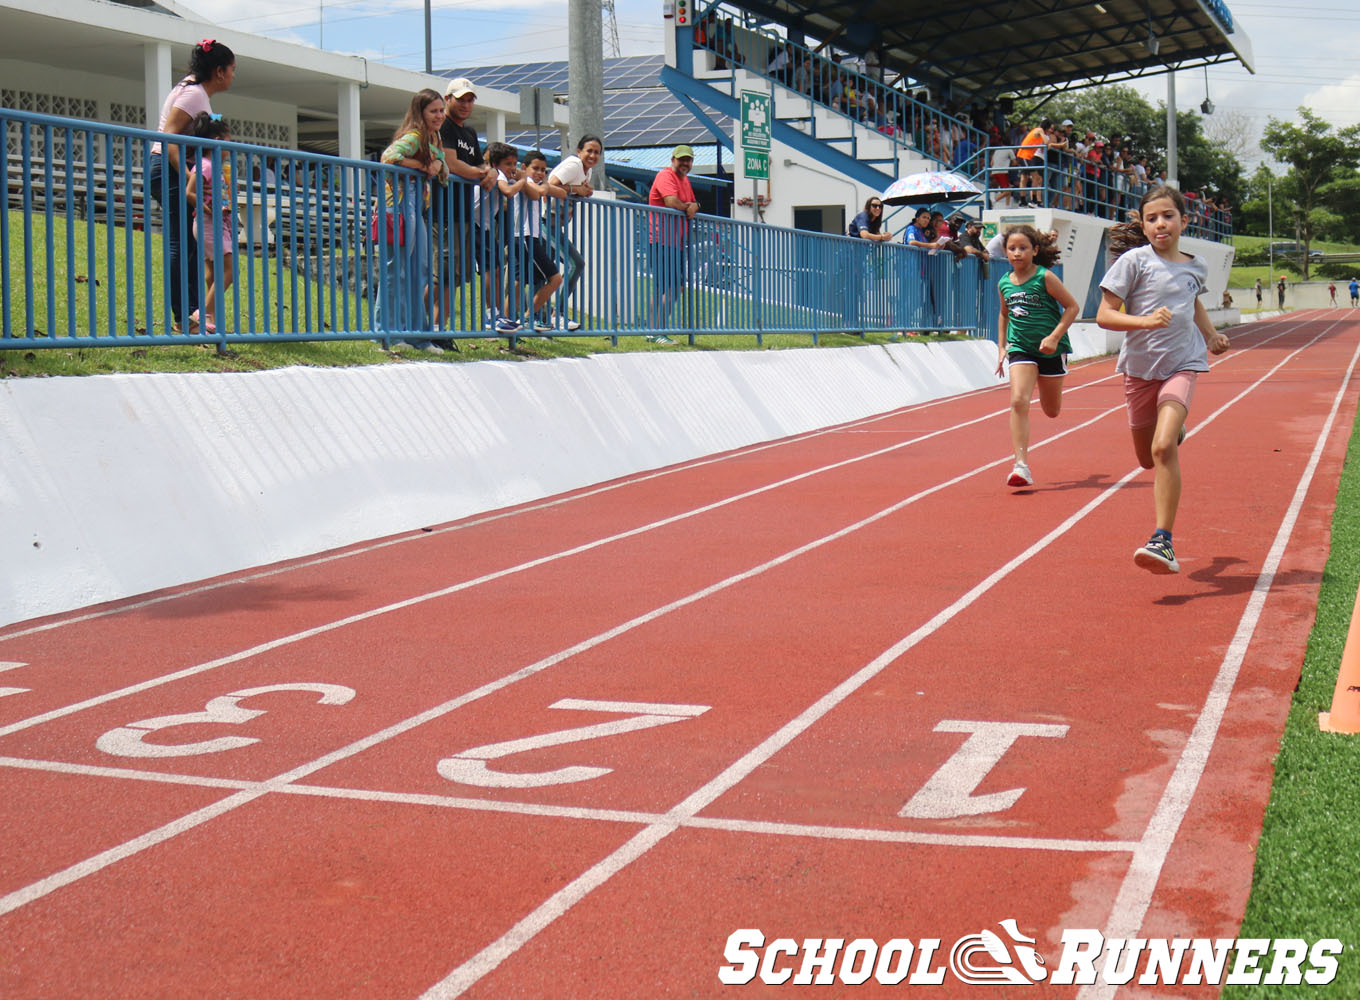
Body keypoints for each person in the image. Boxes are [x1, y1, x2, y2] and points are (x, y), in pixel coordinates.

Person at [1096, 185, 1231, 574]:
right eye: (1152, 218)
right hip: (1140, 370)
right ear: (1142, 225)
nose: (1160, 224)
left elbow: (1193, 300)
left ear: (1183, 221)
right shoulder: (1134, 262)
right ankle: (1175, 430)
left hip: (1182, 363)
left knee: (1161, 448)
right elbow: (1105, 314)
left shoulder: (1196, 265)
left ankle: (1163, 540)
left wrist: (1211, 336)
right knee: (1145, 459)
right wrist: (1145, 321)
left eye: (1168, 216)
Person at [147, 38, 236, 332]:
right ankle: (187, 318)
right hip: (170, 170)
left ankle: (198, 316)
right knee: (182, 244)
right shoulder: (194, 94)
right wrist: (190, 179)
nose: (233, 75)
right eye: (232, 69)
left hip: (172, 170)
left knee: (191, 246)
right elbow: (170, 137)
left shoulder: (194, 91)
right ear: (219, 71)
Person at [995, 225, 1079, 488]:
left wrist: (1054, 337)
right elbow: (1004, 314)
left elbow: (1072, 307)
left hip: (1050, 349)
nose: (1017, 253)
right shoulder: (1004, 282)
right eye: (1012, 248)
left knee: (1051, 410)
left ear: (1035, 250)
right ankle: (1021, 465)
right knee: (1018, 401)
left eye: (1023, 248)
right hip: (1020, 347)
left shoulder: (1045, 277)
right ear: (1005, 252)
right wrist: (1001, 347)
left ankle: (1050, 381)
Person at [375, 88, 449, 351]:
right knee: (397, 270)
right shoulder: (415, 136)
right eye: (433, 111)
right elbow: (388, 157)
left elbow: (443, 168)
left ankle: (417, 334)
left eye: (441, 110)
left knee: (420, 270)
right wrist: (421, 166)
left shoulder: (433, 138)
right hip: (398, 204)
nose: (439, 115)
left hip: (415, 205)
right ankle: (388, 334)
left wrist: (437, 164)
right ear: (421, 112)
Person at [437, 77, 498, 342]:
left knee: (455, 275)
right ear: (447, 99)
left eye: (470, 100)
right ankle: (429, 328)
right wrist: (482, 173)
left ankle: (440, 330)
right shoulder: (444, 126)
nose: (466, 104)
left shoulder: (470, 133)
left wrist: (490, 172)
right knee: (442, 275)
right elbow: (452, 164)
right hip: (442, 211)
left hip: (463, 214)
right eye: (461, 99)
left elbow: (480, 164)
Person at [545, 134, 603, 331]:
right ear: (579, 151)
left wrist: (584, 190)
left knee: (543, 274)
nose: (592, 155)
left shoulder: (587, 171)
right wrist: (575, 189)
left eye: (597, 152)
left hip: (555, 224)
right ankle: (556, 314)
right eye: (589, 151)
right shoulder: (574, 165)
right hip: (545, 222)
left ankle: (541, 318)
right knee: (575, 263)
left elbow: (577, 190)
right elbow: (550, 183)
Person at [185, 113, 234, 335]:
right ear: (217, 141)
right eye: (228, 141)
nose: (230, 147)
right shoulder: (205, 166)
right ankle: (202, 313)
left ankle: (211, 322)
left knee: (213, 273)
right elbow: (190, 192)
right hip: (208, 224)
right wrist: (205, 207)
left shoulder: (215, 167)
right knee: (229, 270)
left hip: (213, 224)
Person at [646, 144, 700, 343]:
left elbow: (693, 203)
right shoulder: (665, 176)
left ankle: (656, 330)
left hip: (675, 242)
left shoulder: (685, 180)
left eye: (688, 160)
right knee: (667, 287)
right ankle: (654, 332)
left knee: (675, 287)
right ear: (673, 160)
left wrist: (695, 205)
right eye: (681, 159)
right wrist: (689, 207)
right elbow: (671, 201)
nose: (685, 163)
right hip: (660, 239)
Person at [474, 142, 527, 334]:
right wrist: (524, 180)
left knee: (496, 270)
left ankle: (497, 315)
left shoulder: (501, 175)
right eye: (508, 164)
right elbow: (509, 192)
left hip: (485, 226)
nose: (512, 168)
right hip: (475, 226)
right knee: (490, 270)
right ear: (496, 164)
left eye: (514, 164)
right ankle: (491, 315)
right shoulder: (498, 175)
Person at [511, 151, 566, 334]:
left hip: (528, 237)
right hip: (525, 237)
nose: (540, 173)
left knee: (518, 282)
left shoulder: (534, 182)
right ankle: (527, 317)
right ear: (524, 167)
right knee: (555, 278)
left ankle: (508, 321)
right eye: (535, 168)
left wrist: (547, 185)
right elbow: (540, 193)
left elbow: (562, 193)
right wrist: (545, 186)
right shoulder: (525, 182)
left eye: (543, 170)